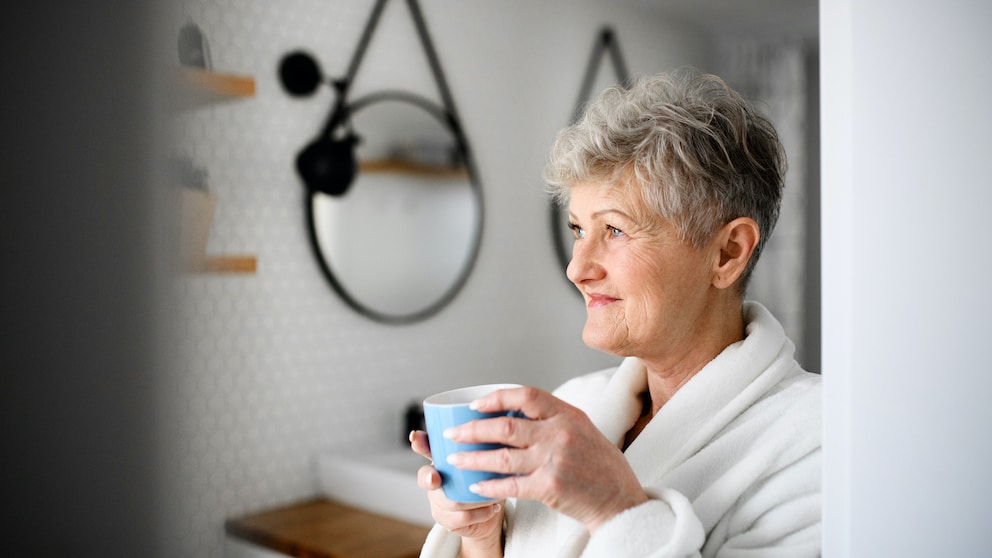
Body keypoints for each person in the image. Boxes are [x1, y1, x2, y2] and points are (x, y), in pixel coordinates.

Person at [409, 67, 821, 557]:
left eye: (616, 231)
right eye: (578, 229)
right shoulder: (576, 405)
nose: (576, 269)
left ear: (728, 253)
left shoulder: (822, 439)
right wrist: (482, 537)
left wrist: (614, 508)